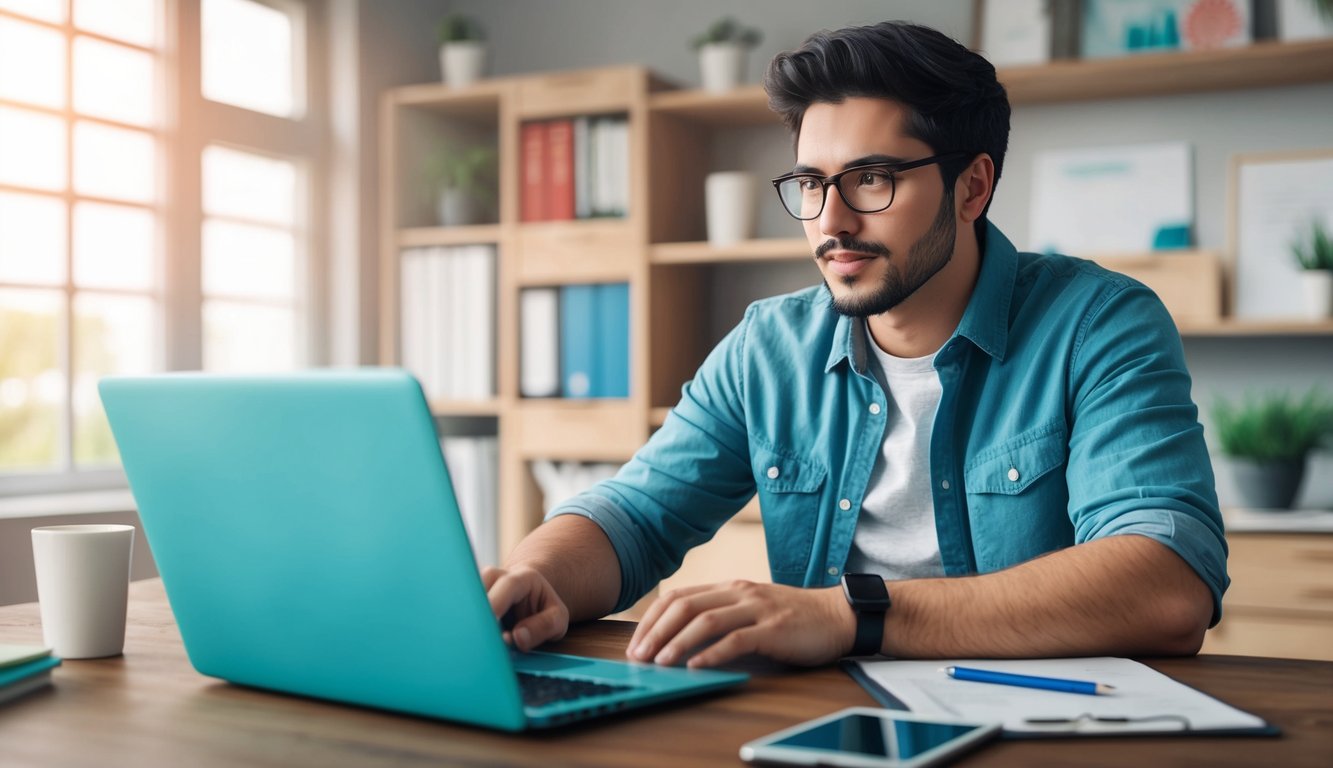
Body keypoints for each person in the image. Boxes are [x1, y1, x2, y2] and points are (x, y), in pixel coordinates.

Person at [484, 20, 1227, 669]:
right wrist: (537, 574)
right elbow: (635, 516)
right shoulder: (769, 346)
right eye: (811, 182)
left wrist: (851, 616)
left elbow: (1166, 584)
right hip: (828, 722)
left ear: (971, 189)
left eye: (869, 179)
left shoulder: (1098, 323)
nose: (831, 220)